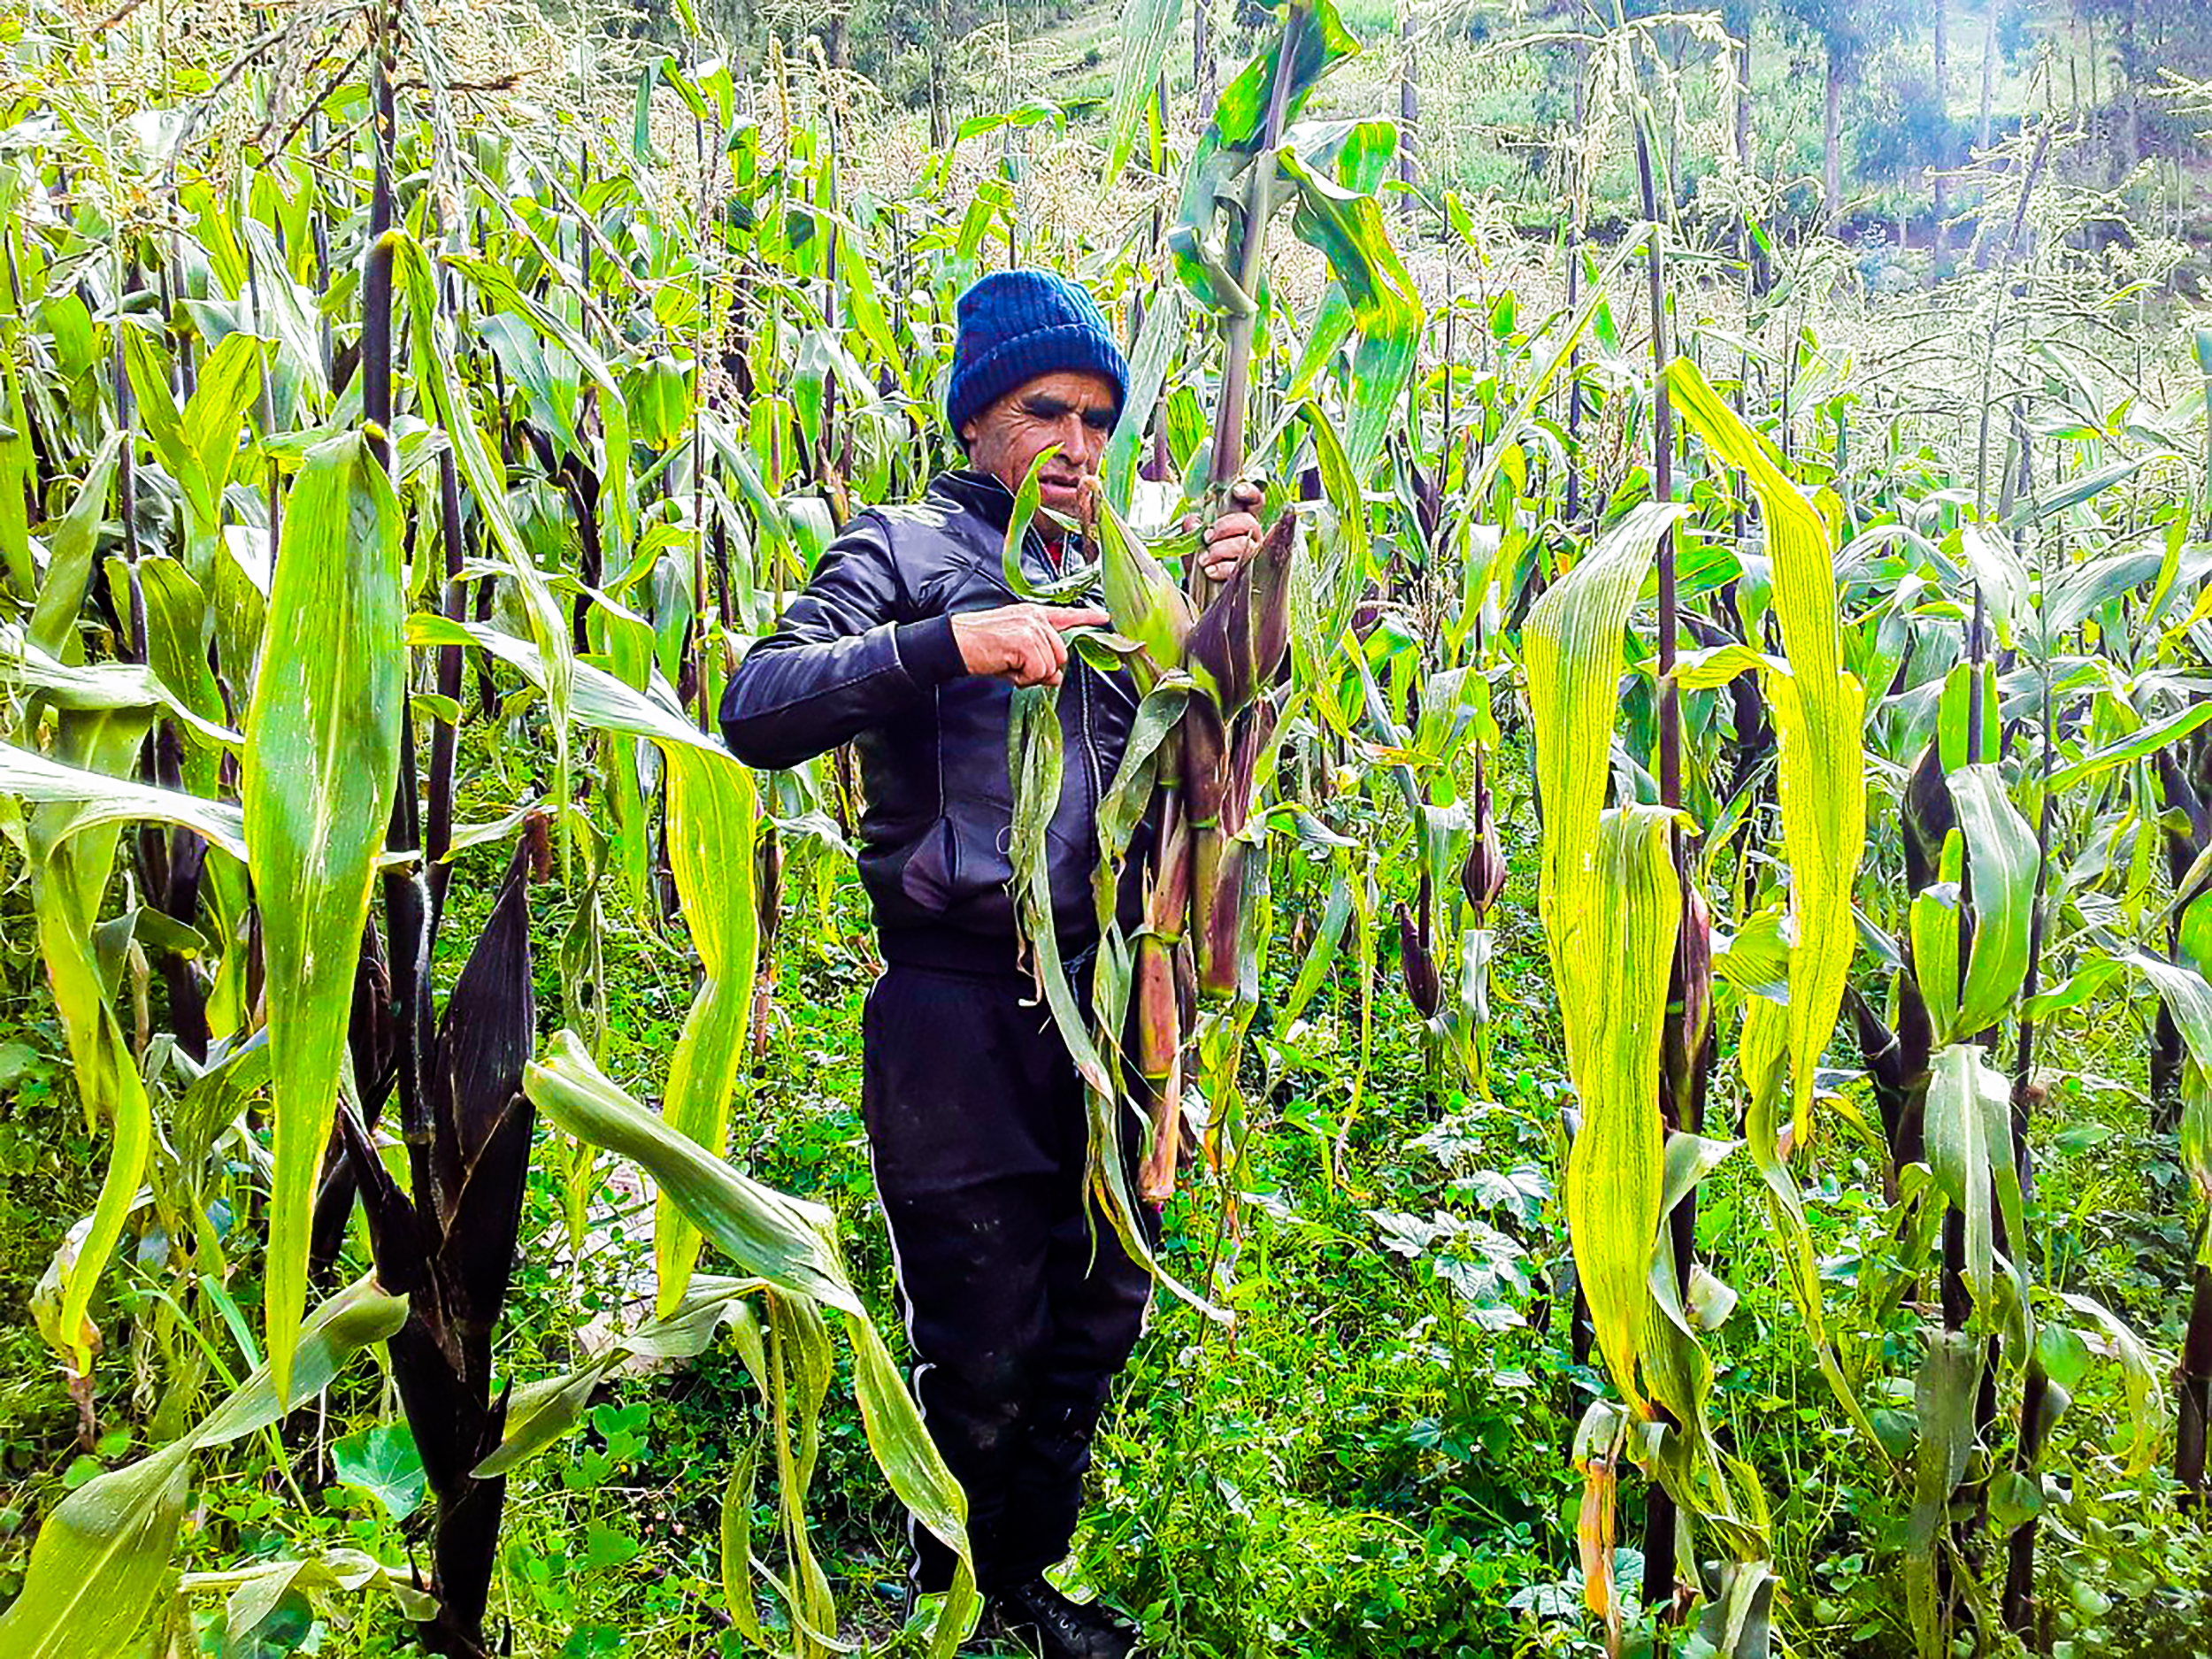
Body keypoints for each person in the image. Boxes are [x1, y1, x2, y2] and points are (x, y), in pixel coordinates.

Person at [719, 269, 1263, 1659]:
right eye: (1046, 412)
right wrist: (954, 640)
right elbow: (757, 703)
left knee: (1097, 1319)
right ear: (978, 420)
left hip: (1112, 1011)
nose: (1079, 445)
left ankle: (1023, 1573)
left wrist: (1231, 615)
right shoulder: (899, 548)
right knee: (981, 1337)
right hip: (955, 1006)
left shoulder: (1125, 579)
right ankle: (958, 1597)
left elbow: (1212, 761)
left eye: (1099, 418)